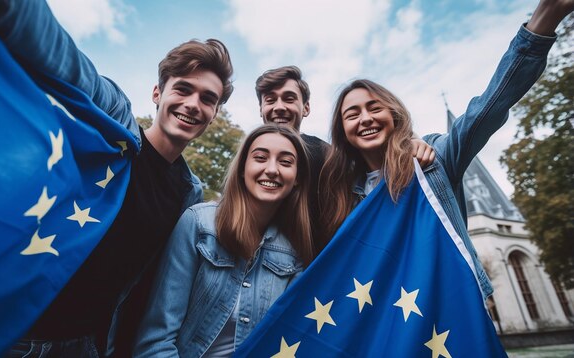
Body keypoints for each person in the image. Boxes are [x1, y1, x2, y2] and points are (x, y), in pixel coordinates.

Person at [0, 0, 234, 356]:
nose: (192, 104)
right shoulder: (115, 126)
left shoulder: (190, 195)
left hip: (87, 346)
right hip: (14, 333)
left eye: (208, 99)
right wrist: (12, 9)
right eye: (183, 89)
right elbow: (69, 65)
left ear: (214, 113)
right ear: (157, 94)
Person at [318, 0, 573, 301]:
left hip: (452, 307)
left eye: (374, 108)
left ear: (394, 116)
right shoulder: (341, 193)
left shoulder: (434, 159)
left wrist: (546, 18)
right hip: (388, 319)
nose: (365, 118)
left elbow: (488, 109)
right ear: (342, 131)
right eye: (352, 114)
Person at [133, 124, 313, 357]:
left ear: (297, 178)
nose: (272, 169)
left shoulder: (296, 251)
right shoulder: (199, 223)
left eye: (286, 162)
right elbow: (156, 340)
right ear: (242, 168)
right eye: (260, 158)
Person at [255, 66, 435, 253]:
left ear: (306, 108)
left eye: (289, 99)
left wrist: (409, 140)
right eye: (270, 100)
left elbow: (373, 173)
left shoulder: (328, 156)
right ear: (261, 109)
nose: (279, 107)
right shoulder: (247, 160)